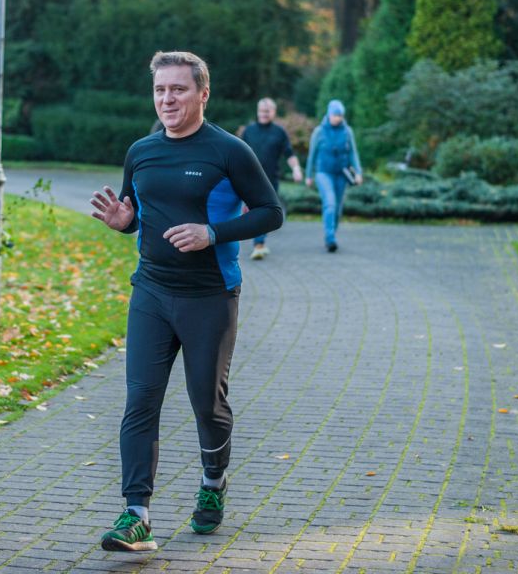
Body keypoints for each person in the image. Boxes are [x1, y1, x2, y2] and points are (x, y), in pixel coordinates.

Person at [90, 51, 283, 552]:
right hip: (151, 291)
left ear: (203, 93)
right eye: (160, 90)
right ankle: (136, 515)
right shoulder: (141, 151)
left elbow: (271, 212)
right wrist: (122, 222)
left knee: (207, 403)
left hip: (210, 298)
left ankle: (214, 483)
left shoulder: (229, 151)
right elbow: (138, 211)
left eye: (178, 89)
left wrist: (212, 232)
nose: (167, 99)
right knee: (140, 401)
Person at [239, 97, 303, 260]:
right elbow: (238, 154)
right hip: (250, 178)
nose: (264, 114)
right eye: (261, 111)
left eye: (267, 111)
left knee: (264, 211)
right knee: (254, 211)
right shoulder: (249, 131)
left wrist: (296, 169)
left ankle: (259, 243)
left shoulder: (279, 132)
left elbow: (289, 153)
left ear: (273, 112)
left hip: (270, 179)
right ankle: (259, 243)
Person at [305, 100, 363, 252]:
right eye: (336, 115)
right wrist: (308, 175)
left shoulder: (347, 131)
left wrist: (358, 172)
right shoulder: (319, 131)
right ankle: (330, 237)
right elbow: (312, 154)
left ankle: (332, 234)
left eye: (341, 115)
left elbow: (353, 153)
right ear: (329, 114)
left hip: (342, 174)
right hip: (323, 172)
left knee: (337, 209)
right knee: (330, 203)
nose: (338, 118)